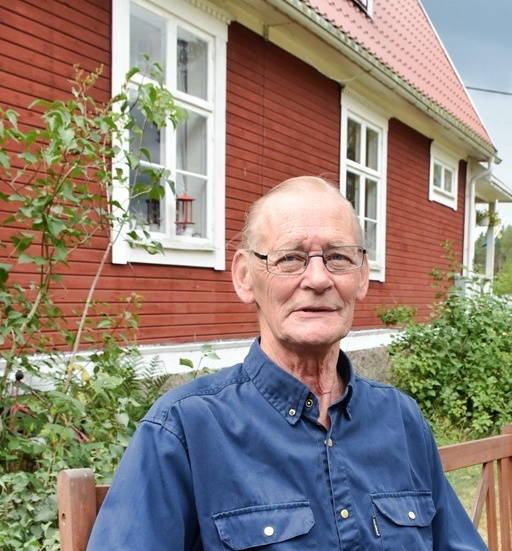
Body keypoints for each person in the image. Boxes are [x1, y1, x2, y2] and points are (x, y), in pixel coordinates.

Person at [87, 176, 488, 550]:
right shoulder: (184, 430)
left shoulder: (401, 420)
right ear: (245, 277)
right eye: (291, 258)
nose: (317, 278)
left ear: (362, 276)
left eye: (338, 257)